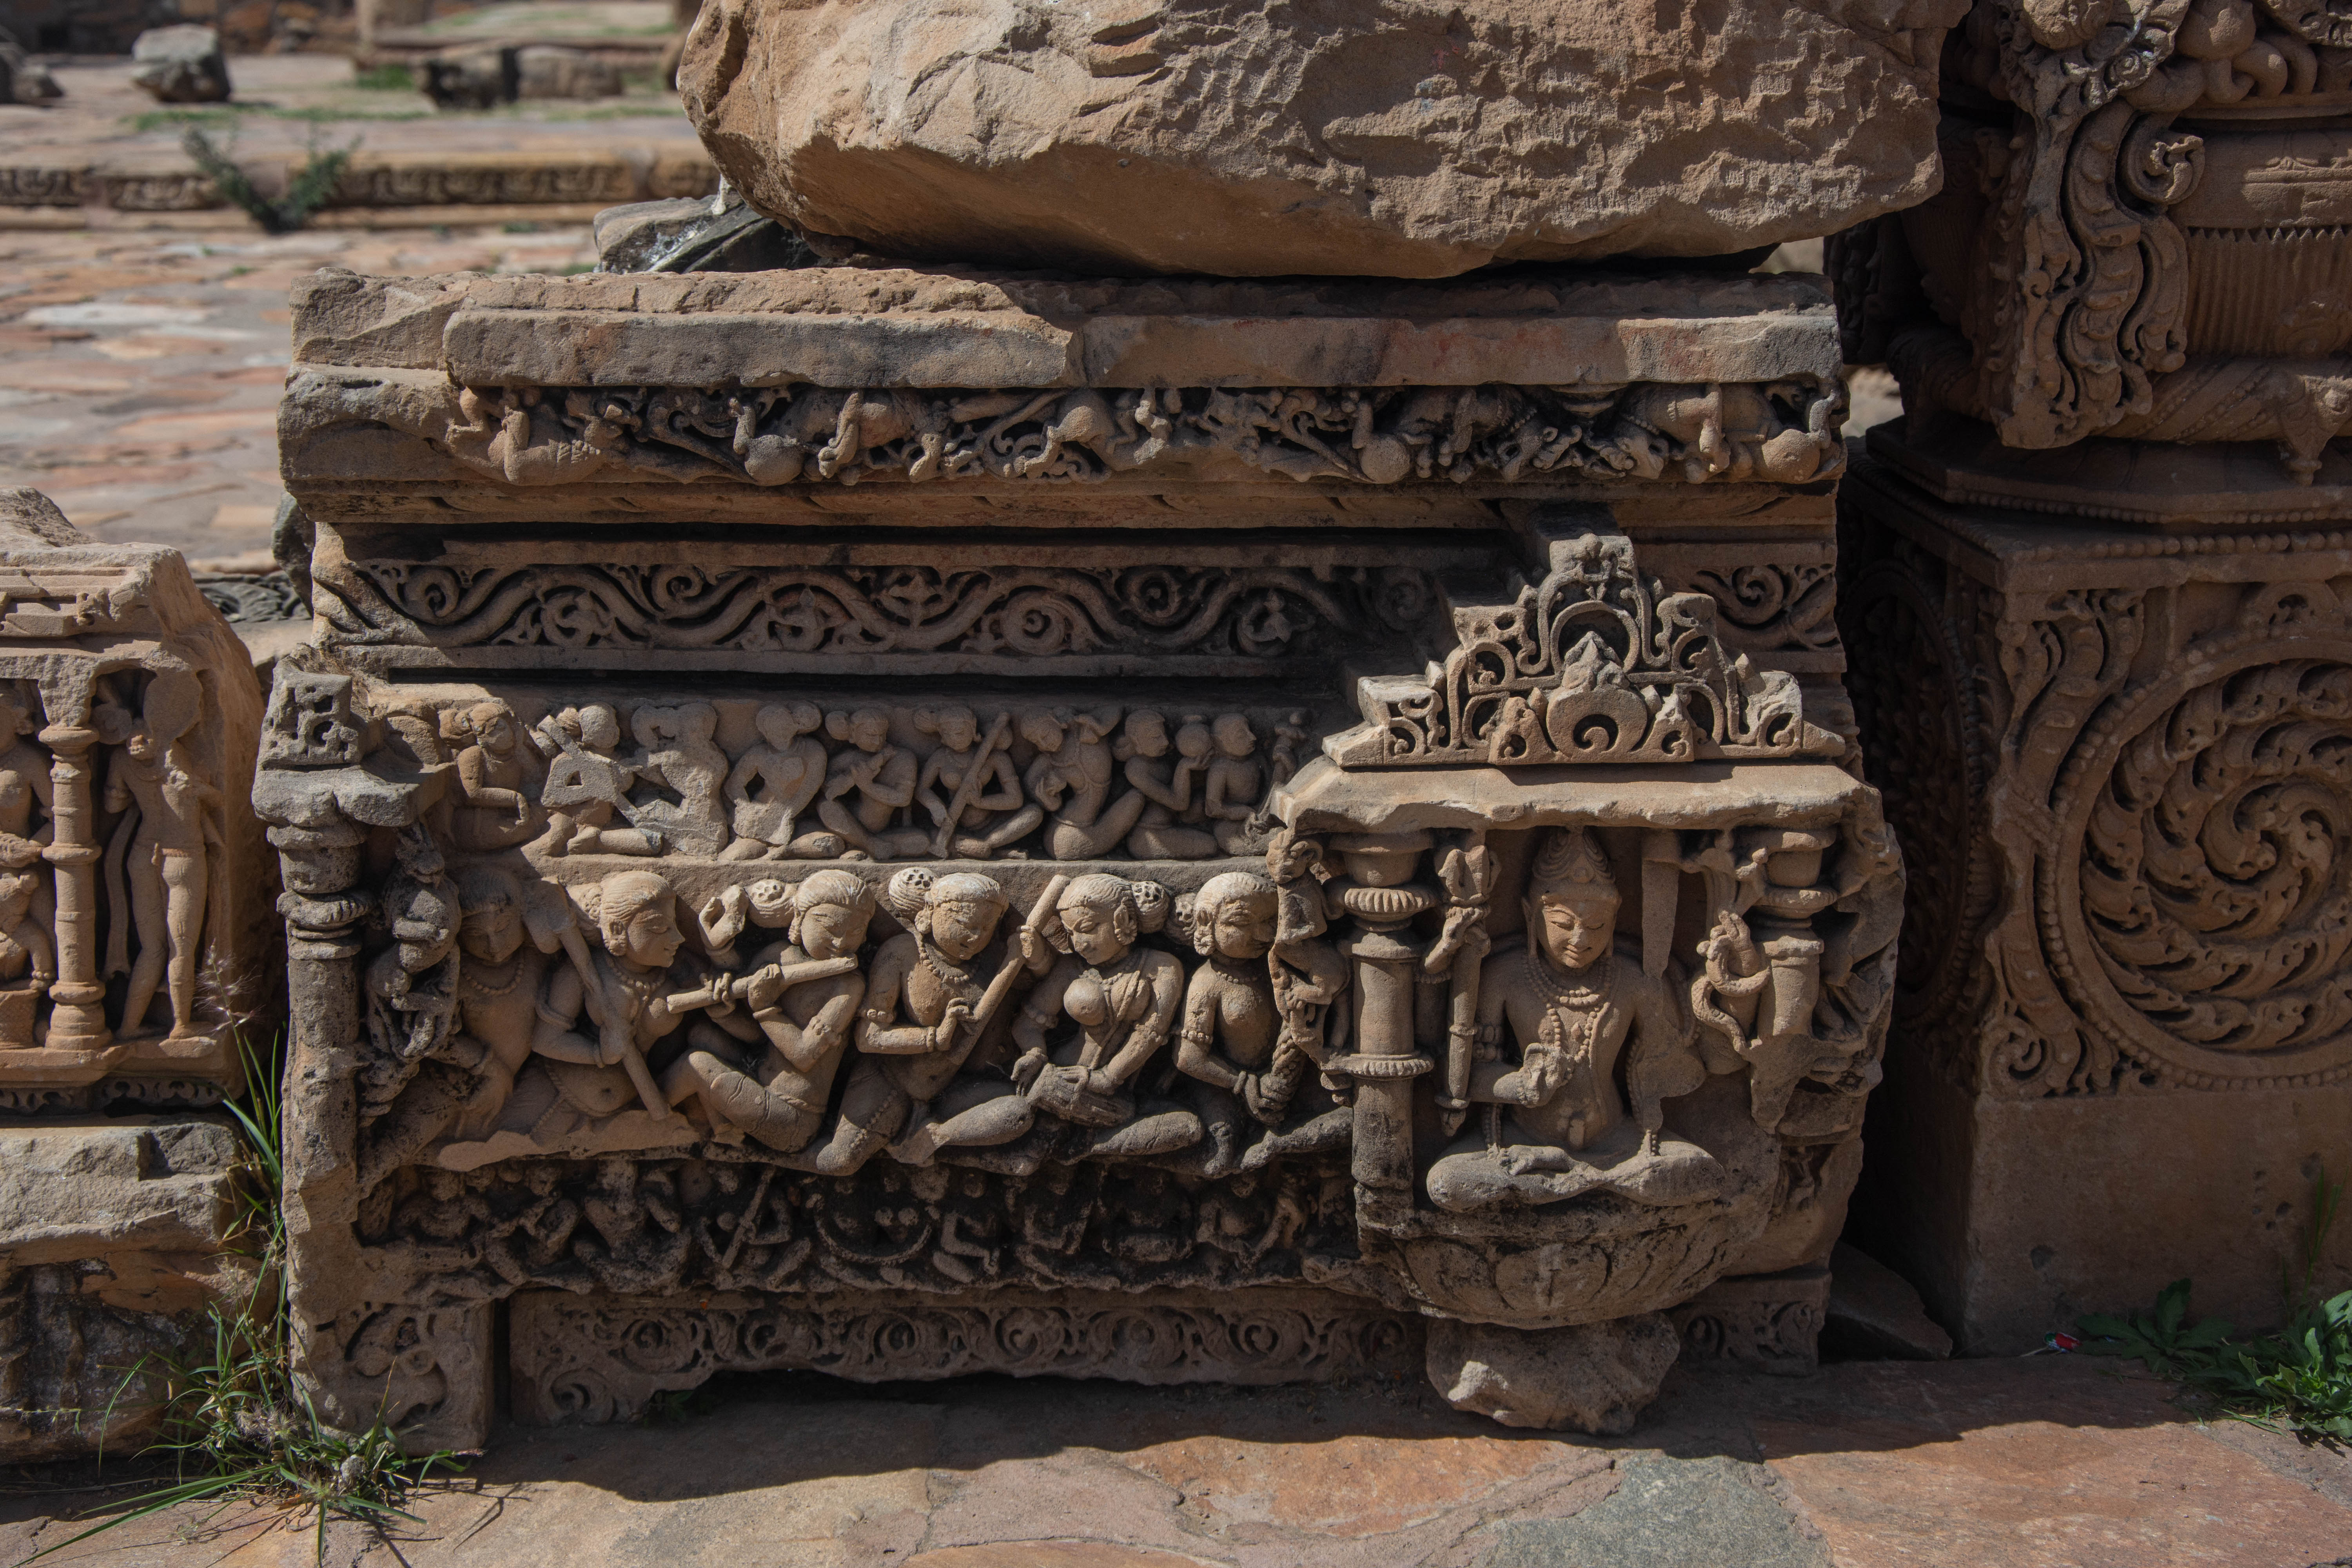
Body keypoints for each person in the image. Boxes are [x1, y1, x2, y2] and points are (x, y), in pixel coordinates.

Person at [1425, 828, 1724, 1213]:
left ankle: (1577, 1177)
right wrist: (1519, 1085)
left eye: (1597, 926)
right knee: (1448, 1182)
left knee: (1702, 1171)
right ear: (1532, 915)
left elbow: (1678, 1069)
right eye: (1564, 924)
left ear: (1614, 922)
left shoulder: (1634, 981)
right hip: (1524, 1139)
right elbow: (1463, 1077)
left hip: (1620, 1140)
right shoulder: (1504, 977)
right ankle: (1593, 1179)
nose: (1581, 939)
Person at [661, 870, 875, 1151]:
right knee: (702, 1034)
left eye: (855, 933)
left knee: (696, 1065)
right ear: (799, 918)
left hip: (794, 1118)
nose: (840, 943)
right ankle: (721, 1126)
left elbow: (804, 1055)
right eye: (830, 929)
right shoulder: (778, 956)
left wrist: (765, 1008)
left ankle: (652, 1115)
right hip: (759, 1077)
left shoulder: (849, 986)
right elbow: (756, 1037)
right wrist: (724, 1011)